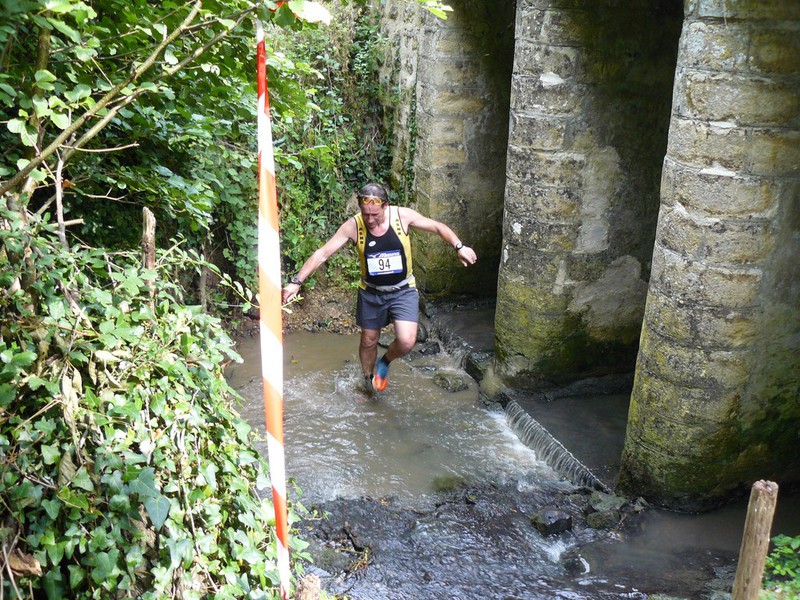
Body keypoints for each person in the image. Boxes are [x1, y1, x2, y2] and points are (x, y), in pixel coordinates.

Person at [281, 183, 477, 393]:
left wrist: (459, 246)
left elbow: (437, 227)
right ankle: (367, 381)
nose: (370, 219)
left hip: (403, 290)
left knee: (407, 341)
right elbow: (322, 254)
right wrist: (296, 281)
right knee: (369, 340)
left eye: (375, 214)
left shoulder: (402, 217)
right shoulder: (353, 226)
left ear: (386, 206)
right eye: (366, 214)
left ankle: (385, 361)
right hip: (371, 293)